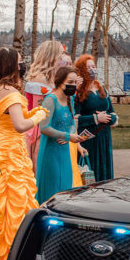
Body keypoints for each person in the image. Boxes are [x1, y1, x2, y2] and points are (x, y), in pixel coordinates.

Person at [0, 47, 47, 260]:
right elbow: (20, 126)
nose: (22, 64)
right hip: (10, 152)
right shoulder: (12, 93)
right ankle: (9, 257)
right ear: (10, 65)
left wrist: (31, 111)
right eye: (19, 61)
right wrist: (39, 115)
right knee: (13, 203)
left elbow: (10, 119)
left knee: (3, 203)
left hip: (2, 147)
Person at [36, 66, 88, 203]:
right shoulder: (50, 100)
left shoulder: (70, 99)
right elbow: (44, 127)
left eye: (75, 83)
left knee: (65, 186)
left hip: (64, 151)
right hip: (50, 152)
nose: (73, 86)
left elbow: (71, 123)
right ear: (60, 81)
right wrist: (66, 136)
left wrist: (70, 134)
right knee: (52, 188)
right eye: (70, 82)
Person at [74, 54, 119, 182]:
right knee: (90, 173)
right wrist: (95, 118)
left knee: (105, 169)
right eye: (89, 67)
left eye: (94, 66)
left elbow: (113, 113)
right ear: (82, 70)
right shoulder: (79, 92)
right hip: (88, 138)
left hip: (104, 137)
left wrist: (110, 118)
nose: (93, 69)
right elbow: (75, 119)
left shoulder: (102, 89)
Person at [25, 40, 67, 171]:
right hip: (40, 129)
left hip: (52, 127)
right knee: (41, 167)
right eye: (60, 55)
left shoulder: (53, 78)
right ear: (52, 56)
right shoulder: (40, 79)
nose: (62, 59)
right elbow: (41, 110)